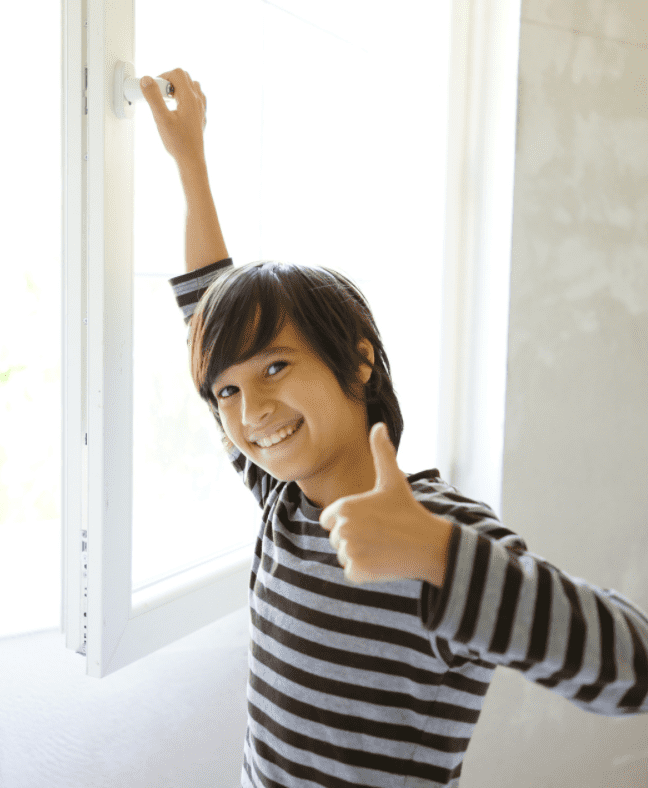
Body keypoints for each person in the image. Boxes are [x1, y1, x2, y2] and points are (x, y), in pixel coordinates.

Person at [139, 69, 648, 788]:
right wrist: (189, 161)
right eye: (228, 390)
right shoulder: (282, 499)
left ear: (358, 363)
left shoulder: (440, 533)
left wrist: (439, 553)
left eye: (277, 368)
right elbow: (207, 317)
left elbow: (634, 669)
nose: (249, 412)